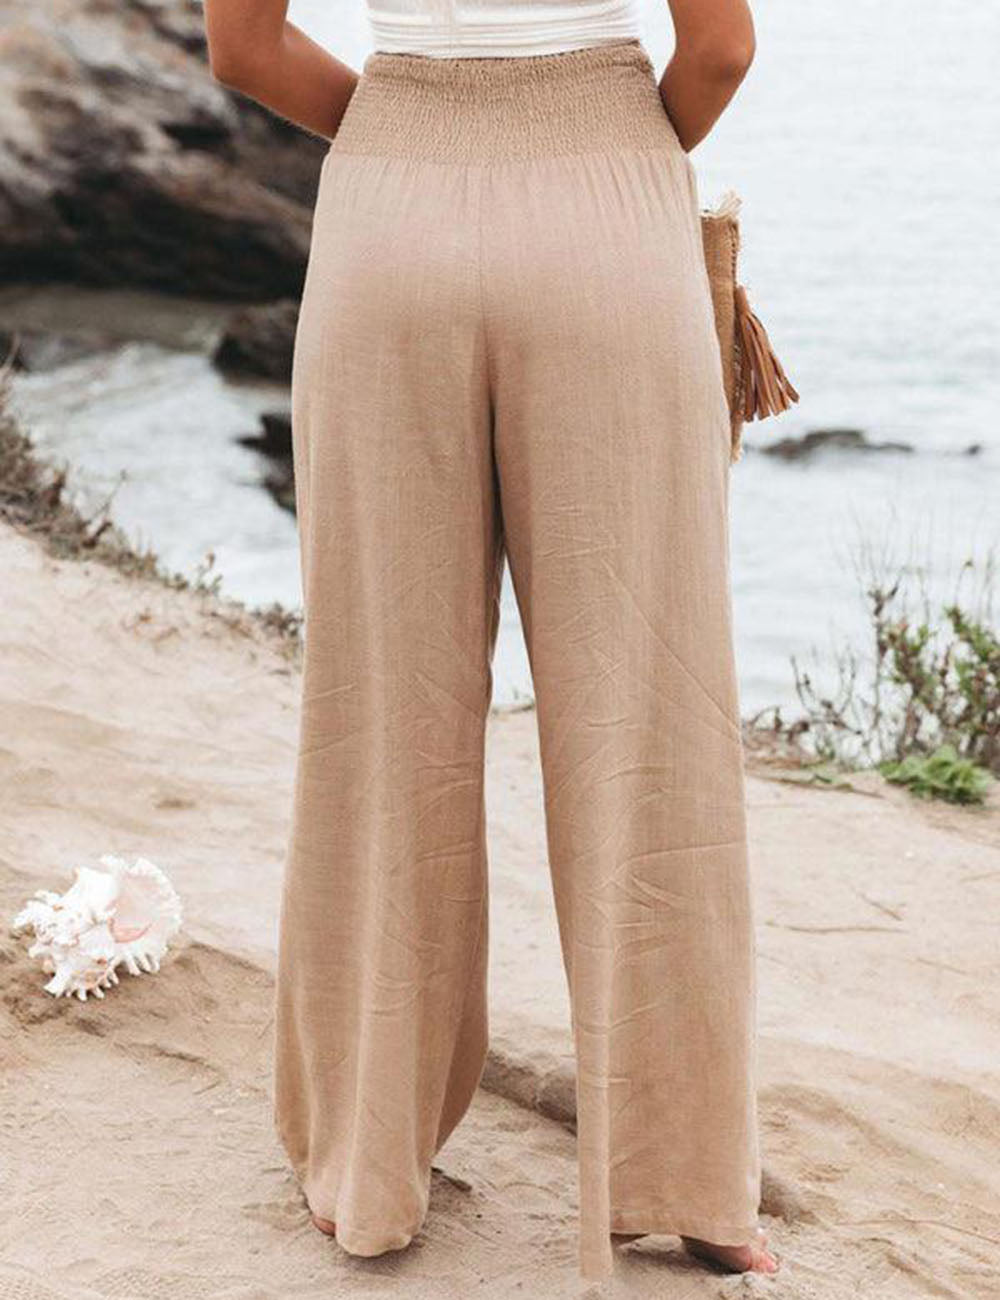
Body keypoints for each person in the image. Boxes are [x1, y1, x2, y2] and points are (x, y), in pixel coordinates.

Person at [204, 0, 778, 1282]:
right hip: (607, 224)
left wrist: (413, 130)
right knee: (648, 713)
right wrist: (603, 147)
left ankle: (368, 1163)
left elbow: (242, 46)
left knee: (379, 710)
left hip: (387, 217)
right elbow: (722, 49)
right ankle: (690, 1179)